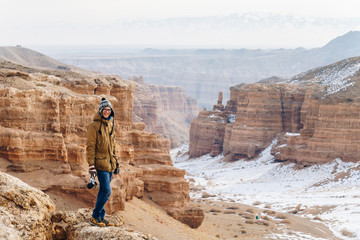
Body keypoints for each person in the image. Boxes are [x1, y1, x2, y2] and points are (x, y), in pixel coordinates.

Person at [87, 97, 120, 227]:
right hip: (100, 164)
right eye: (105, 109)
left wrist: (116, 162)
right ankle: (95, 217)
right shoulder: (93, 126)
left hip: (110, 164)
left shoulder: (110, 125)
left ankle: (100, 216)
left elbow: (113, 146)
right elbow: (90, 147)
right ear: (100, 111)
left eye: (109, 109)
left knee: (103, 191)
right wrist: (91, 165)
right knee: (106, 190)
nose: (107, 111)